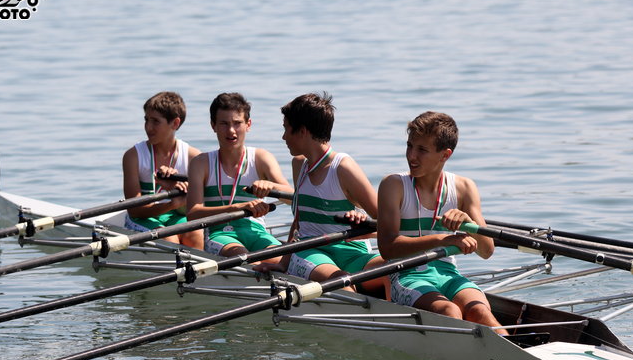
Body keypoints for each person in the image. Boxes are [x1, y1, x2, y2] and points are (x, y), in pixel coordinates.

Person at [377, 111, 507, 334]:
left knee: (481, 313)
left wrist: (468, 224)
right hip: (406, 275)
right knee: (450, 312)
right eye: (409, 146)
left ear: (445, 155)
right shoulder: (393, 185)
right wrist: (442, 239)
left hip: (447, 273)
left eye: (422, 150)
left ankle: (520, 355)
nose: (411, 156)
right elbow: (387, 248)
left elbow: (487, 251)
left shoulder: (464, 188)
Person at [259, 92, 390, 298]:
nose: (283, 137)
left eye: (286, 129)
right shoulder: (299, 165)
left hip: (351, 249)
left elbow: (387, 224)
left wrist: (364, 224)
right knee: (340, 282)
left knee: (394, 269)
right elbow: (299, 220)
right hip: (310, 251)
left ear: (302, 131)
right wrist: (284, 262)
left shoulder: (344, 168)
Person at [186, 92, 293, 260]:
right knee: (242, 257)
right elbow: (192, 214)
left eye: (237, 123)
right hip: (219, 234)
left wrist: (271, 186)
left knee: (279, 260)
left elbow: (292, 197)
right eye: (224, 123)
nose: (231, 130)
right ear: (213, 125)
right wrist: (236, 208)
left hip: (256, 231)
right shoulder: (201, 163)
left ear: (248, 124)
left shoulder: (261, 158)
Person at [122, 91, 203, 249]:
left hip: (176, 215)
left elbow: (196, 208)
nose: (148, 127)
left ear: (175, 123)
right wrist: (172, 204)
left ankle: (200, 272)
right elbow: (134, 210)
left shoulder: (194, 157)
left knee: (196, 236)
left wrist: (177, 198)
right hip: (141, 218)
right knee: (169, 238)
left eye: (155, 121)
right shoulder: (133, 156)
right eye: (146, 120)